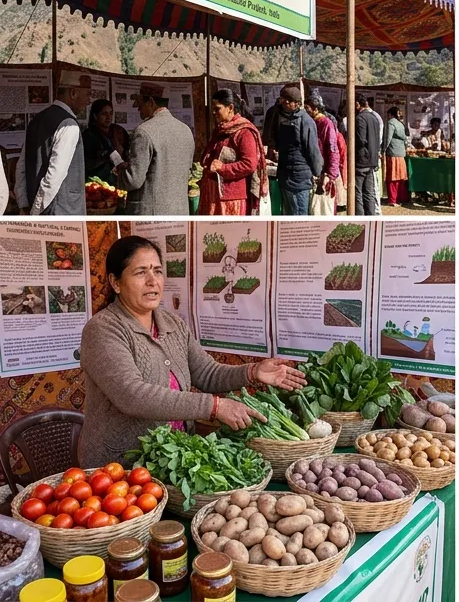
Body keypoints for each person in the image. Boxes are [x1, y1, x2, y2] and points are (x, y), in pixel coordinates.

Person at [78, 236, 306, 467]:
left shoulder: (171, 323)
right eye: (140, 273)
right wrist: (214, 407)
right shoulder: (103, 330)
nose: (152, 281)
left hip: (172, 458)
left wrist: (252, 371)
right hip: (121, 467)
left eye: (157, 271)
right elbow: (133, 395)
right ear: (115, 282)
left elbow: (207, 373)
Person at [17, 74, 88, 215]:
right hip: (61, 211)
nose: (88, 101)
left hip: (38, 206)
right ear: (73, 93)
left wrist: (24, 203)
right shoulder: (68, 124)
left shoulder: (37, 119)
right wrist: (35, 211)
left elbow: (22, 167)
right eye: (87, 95)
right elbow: (55, 174)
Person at [120, 88, 195, 216]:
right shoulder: (186, 130)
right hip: (179, 211)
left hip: (151, 212)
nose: (138, 110)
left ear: (151, 102)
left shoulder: (144, 132)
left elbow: (134, 180)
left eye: (140, 104)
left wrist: (121, 172)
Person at [198, 90, 266, 216]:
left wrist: (223, 168)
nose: (214, 113)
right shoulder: (220, 130)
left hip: (230, 197)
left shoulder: (244, 132)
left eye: (217, 109)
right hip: (212, 194)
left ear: (230, 108)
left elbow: (249, 164)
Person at [273, 84, 323, 216]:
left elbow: (313, 150)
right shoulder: (280, 118)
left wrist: (318, 173)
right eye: (283, 99)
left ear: (297, 103)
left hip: (299, 179)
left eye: (288, 100)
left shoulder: (306, 121)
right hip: (284, 177)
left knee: (299, 215)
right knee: (288, 214)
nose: (285, 103)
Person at [305, 94, 342, 214]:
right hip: (314, 170)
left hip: (324, 173)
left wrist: (330, 175)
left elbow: (333, 150)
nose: (306, 111)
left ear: (315, 109)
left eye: (308, 108)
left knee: (324, 209)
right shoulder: (311, 122)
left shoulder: (326, 124)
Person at [83, 99, 128, 184]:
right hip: (98, 183)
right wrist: (105, 157)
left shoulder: (119, 131)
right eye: (104, 114)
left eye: (111, 113)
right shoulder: (88, 135)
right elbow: (86, 164)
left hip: (120, 181)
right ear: (95, 116)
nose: (109, 117)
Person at [353, 96, 383, 216]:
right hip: (371, 160)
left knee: (358, 192)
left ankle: (360, 217)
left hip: (362, 160)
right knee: (369, 192)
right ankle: (370, 216)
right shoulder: (374, 118)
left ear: (357, 104)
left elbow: (361, 139)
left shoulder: (360, 118)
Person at [383, 106, 410, 206]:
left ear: (390, 114)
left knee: (392, 177)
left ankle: (392, 199)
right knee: (400, 178)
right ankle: (401, 198)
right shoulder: (401, 124)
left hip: (393, 153)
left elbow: (387, 138)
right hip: (401, 154)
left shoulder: (390, 123)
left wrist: (383, 150)